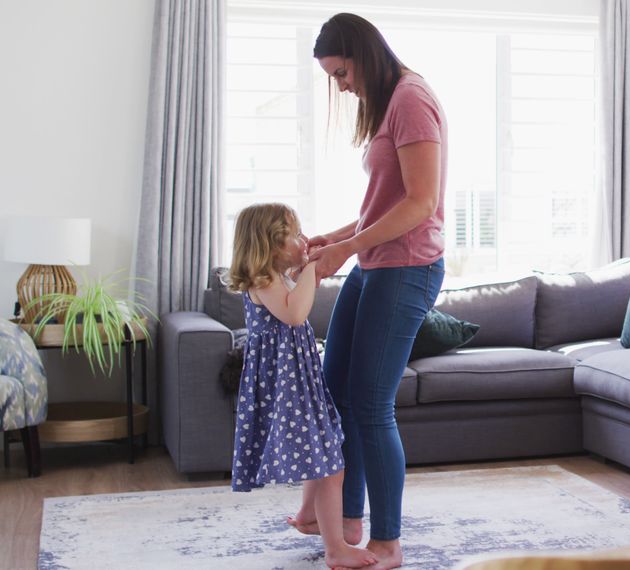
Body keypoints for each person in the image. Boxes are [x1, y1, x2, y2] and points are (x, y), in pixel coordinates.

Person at [286, 12, 448, 570]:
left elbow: (421, 204)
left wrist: (345, 250)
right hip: (377, 262)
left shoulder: (410, 100)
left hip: (407, 268)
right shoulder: (388, 104)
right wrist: (335, 238)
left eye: (340, 72)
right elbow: (385, 200)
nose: (340, 85)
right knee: (335, 388)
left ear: (362, 53)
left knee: (373, 405)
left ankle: (388, 541)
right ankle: (345, 516)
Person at [228, 203, 378, 570]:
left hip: (299, 385)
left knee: (323, 454)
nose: (303, 239)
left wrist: (305, 271)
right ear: (271, 244)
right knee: (330, 466)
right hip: (288, 391)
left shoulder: (275, 278)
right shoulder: (263, 281)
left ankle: (309, 517)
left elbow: (298, 303)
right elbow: (295, 314)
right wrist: (311, 267)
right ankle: (336, 549)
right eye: (294, 235)